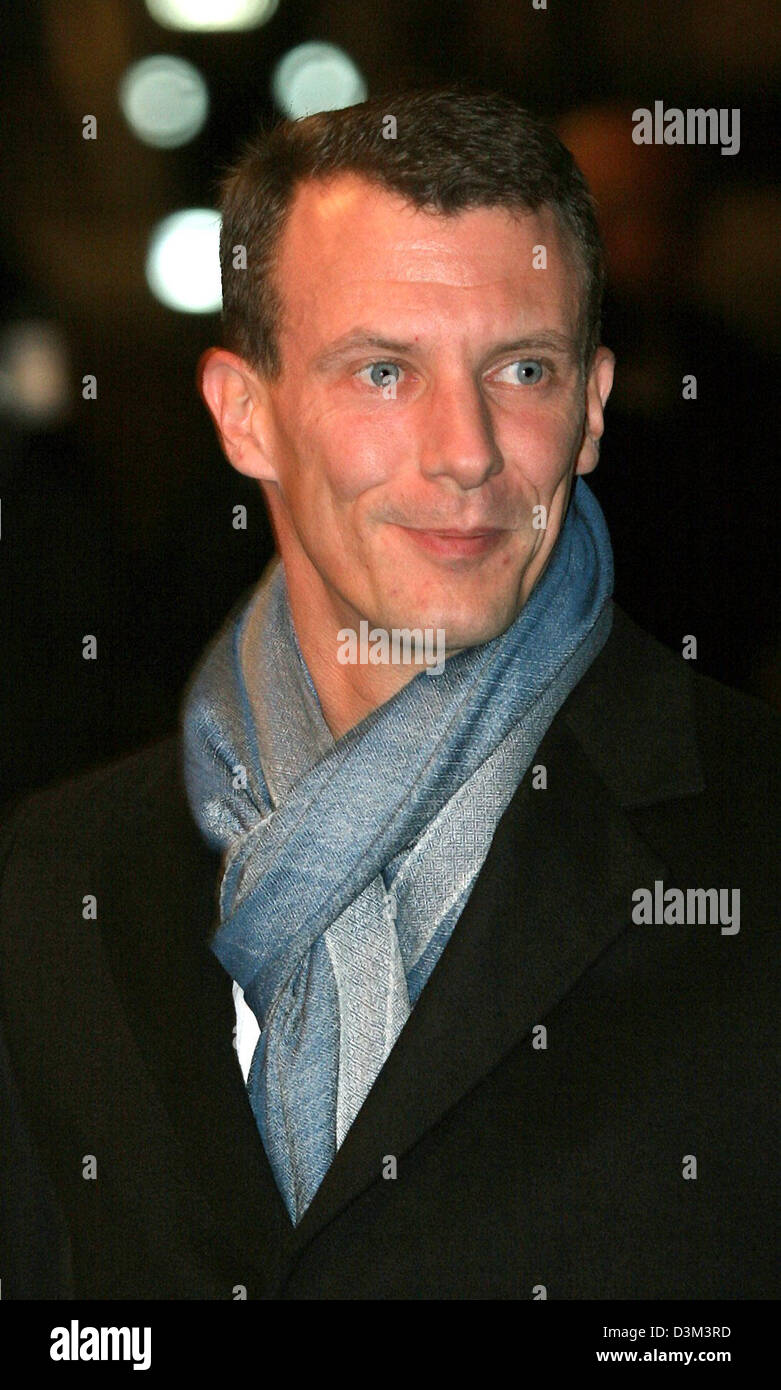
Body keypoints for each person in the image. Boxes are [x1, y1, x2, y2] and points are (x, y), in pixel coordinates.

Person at [0, 89, 777, 1301]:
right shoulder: (51, 889)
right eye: (381, 372)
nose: (463, 449)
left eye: (522, 368)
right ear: (243, 413)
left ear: (590, 406)